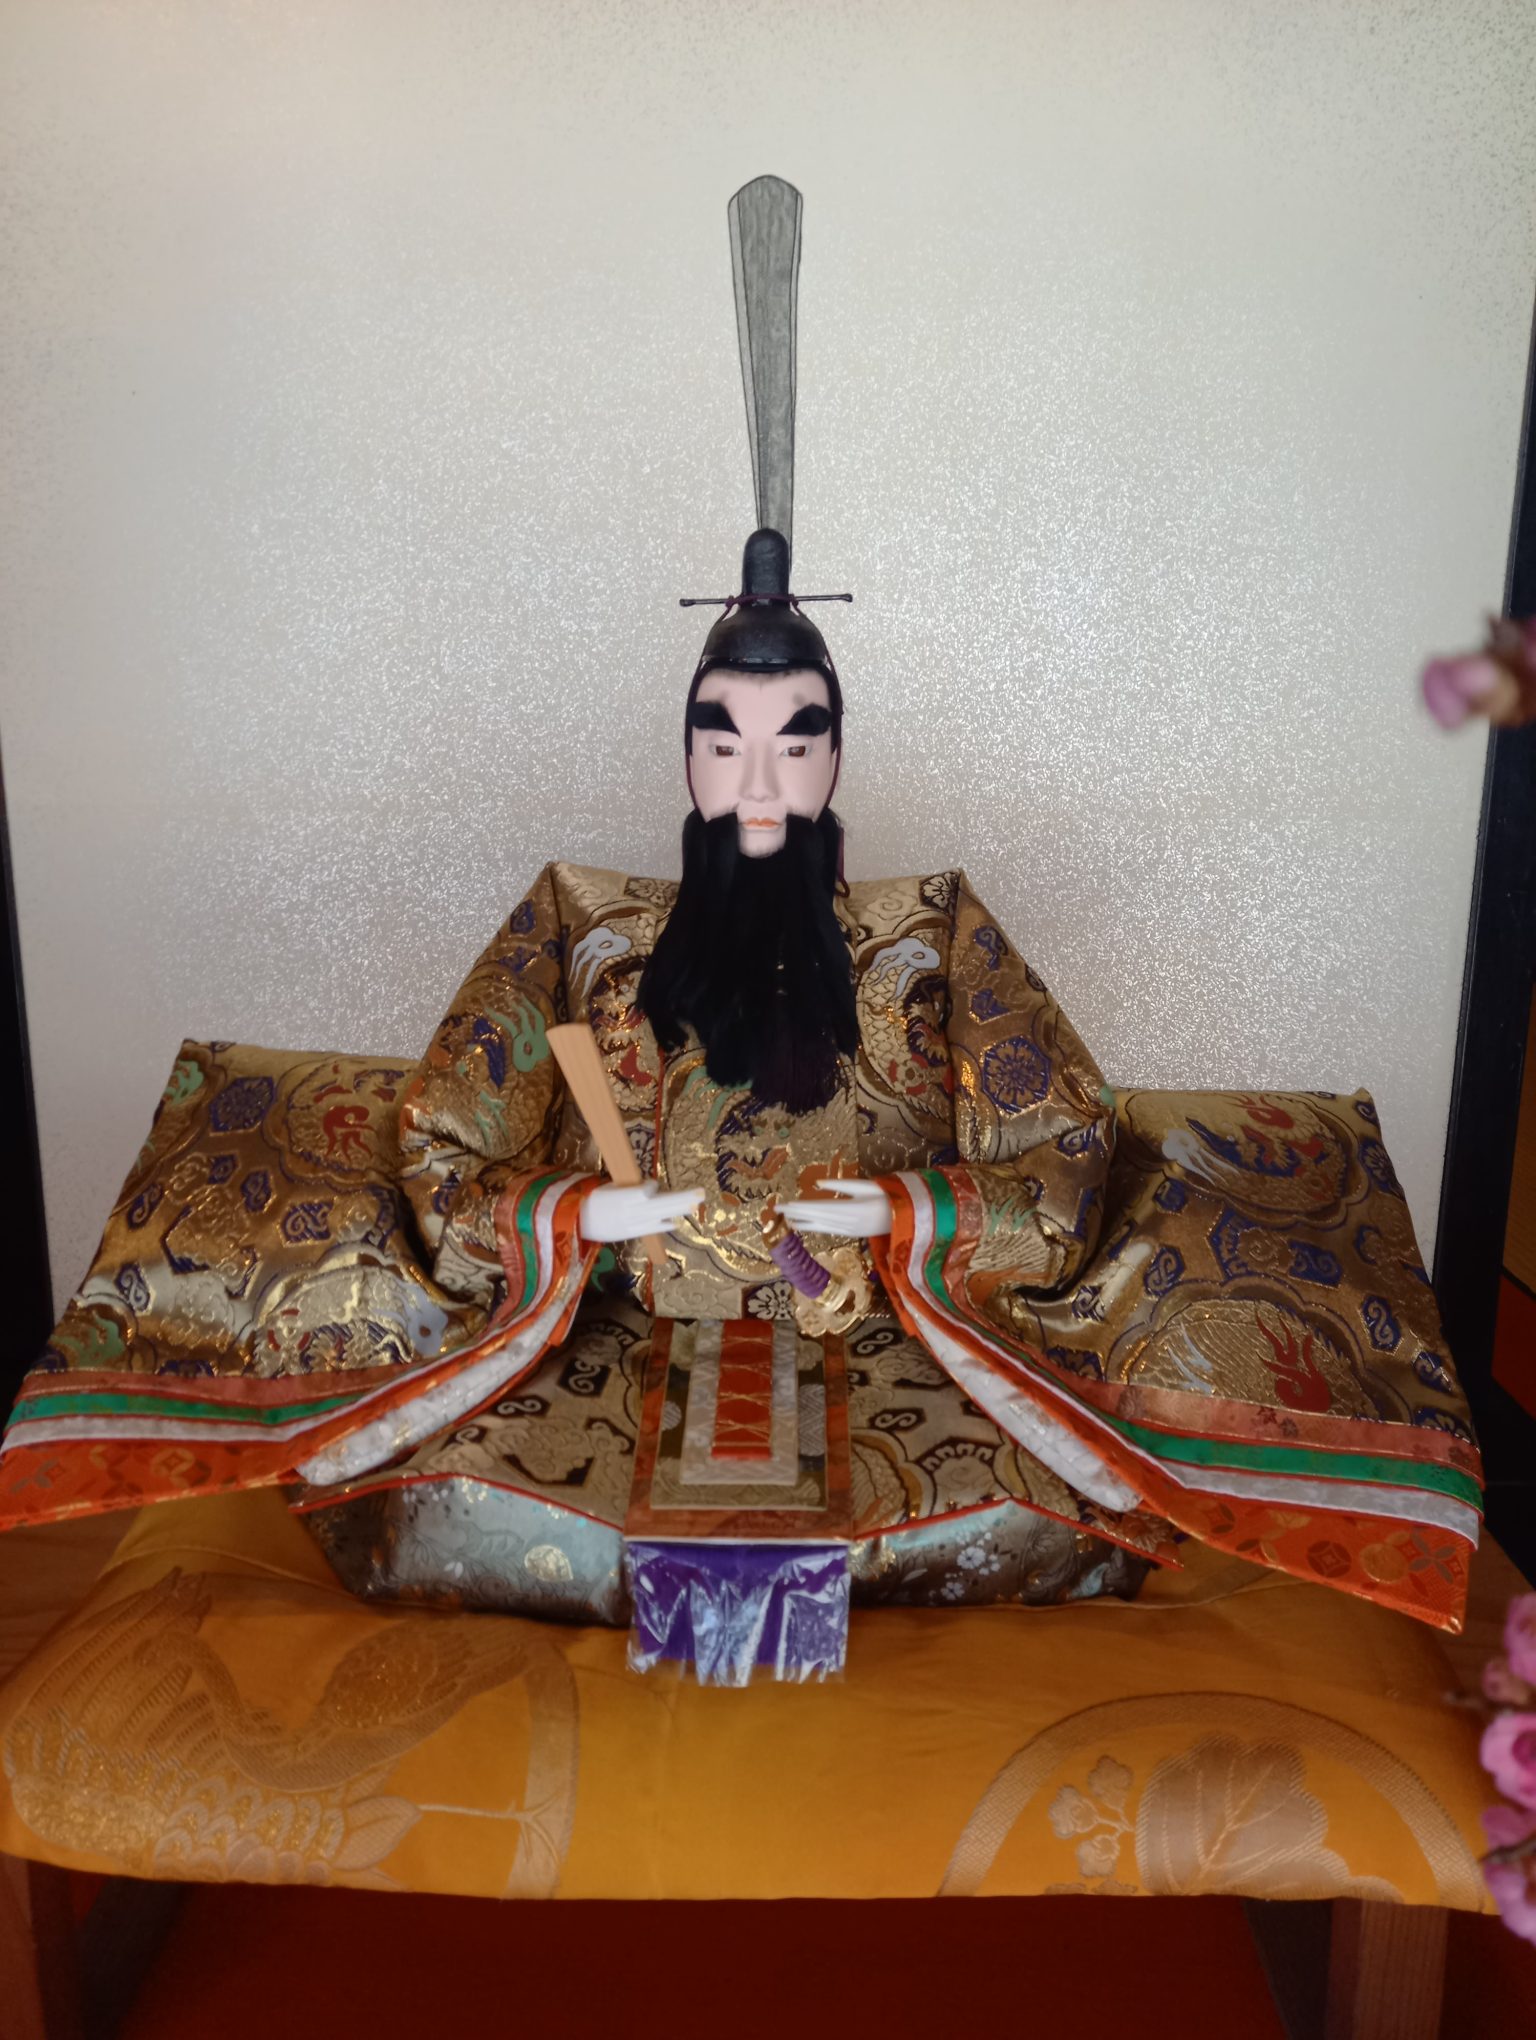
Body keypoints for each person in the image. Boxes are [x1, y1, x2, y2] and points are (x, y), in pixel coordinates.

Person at [0, 180, 1481, 1673]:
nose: (759, 781)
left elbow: (1067, 1146)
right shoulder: (585, 928)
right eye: (724, 739)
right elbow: (446, 1137)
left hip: (887, 1345)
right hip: (617, 1336)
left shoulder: (931, 934)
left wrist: (910, 1216)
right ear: (687, 752)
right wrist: (577, 1218)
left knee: (1052, 1515)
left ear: (838, 753)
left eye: (796, 739)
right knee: (434, 1509)